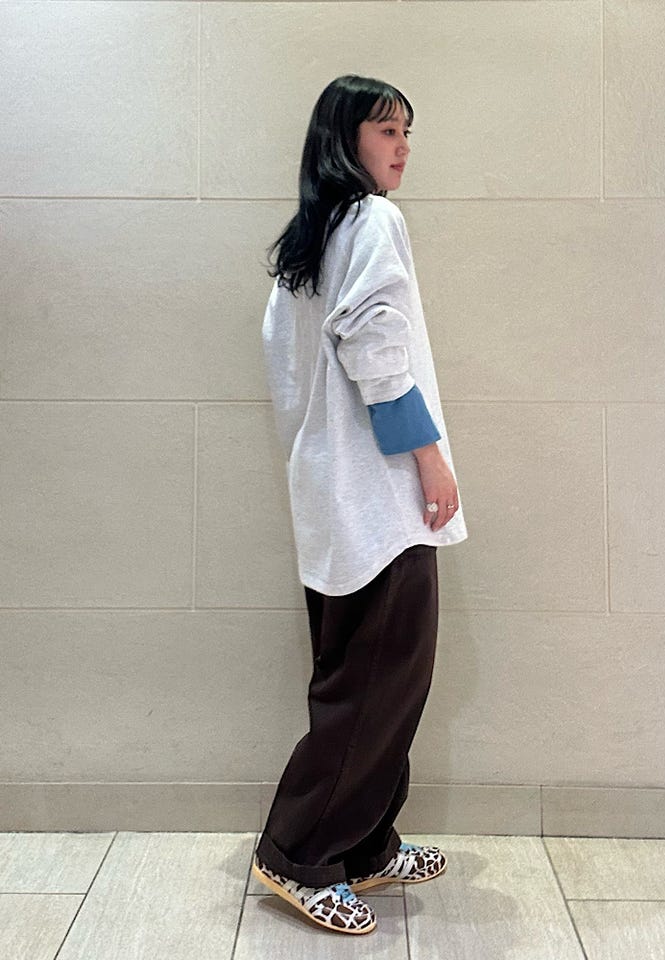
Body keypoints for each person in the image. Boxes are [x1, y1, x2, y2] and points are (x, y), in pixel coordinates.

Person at [252, 74, 468, 935]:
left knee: (366, 679)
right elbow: (377, 349)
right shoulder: (373, 220)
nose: (403, 147)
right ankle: (297, 853)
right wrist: (429, 460)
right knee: (377, 686)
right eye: (386, 130)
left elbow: (292, 369)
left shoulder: (307, 244)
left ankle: (366, 845)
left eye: (408, 131)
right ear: (344, 139)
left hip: (331, 496)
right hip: (380, 500)